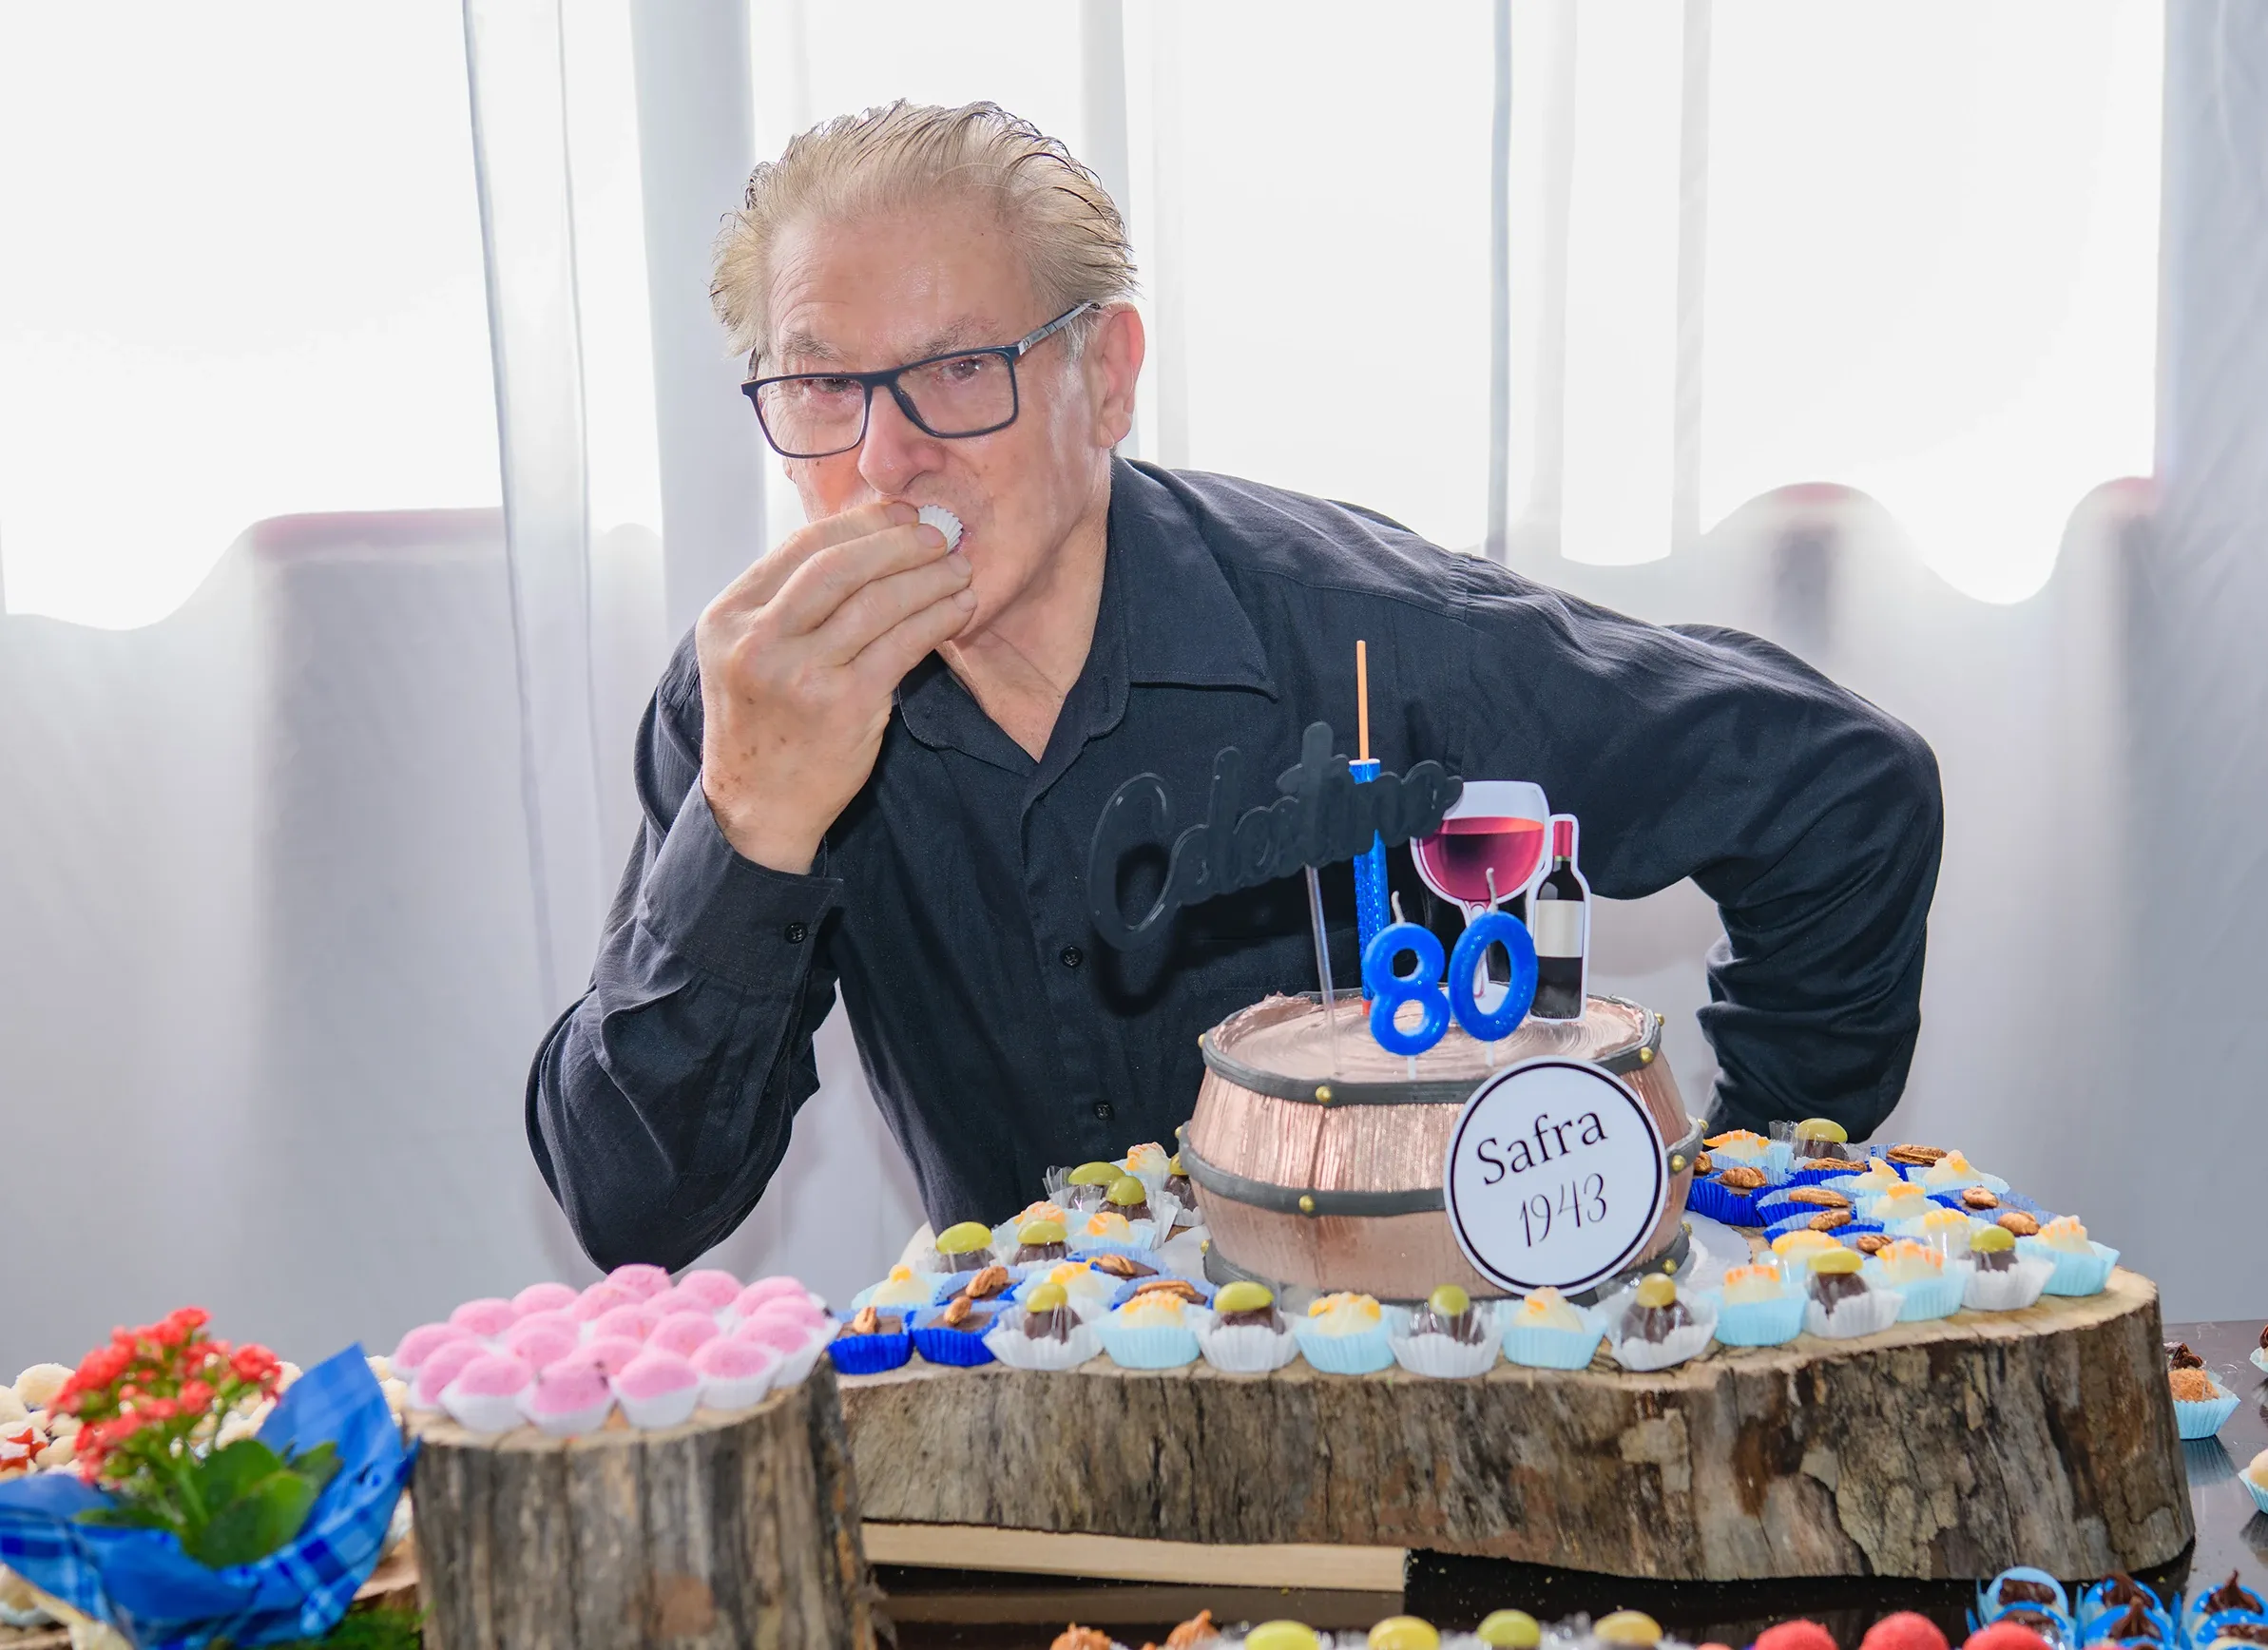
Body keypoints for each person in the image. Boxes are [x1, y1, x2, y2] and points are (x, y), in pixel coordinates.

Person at [527, 101, 1942, 1271]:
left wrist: (1719, 1195)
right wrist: (750, 826)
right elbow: (634, 1208)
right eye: (825, 388)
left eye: (961, 369)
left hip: (1418, 1413)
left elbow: (1841, 795)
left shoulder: (1375, 640)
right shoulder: (759, 705)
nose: (890, 461)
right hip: (1051, 1449)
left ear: (1108, 375)